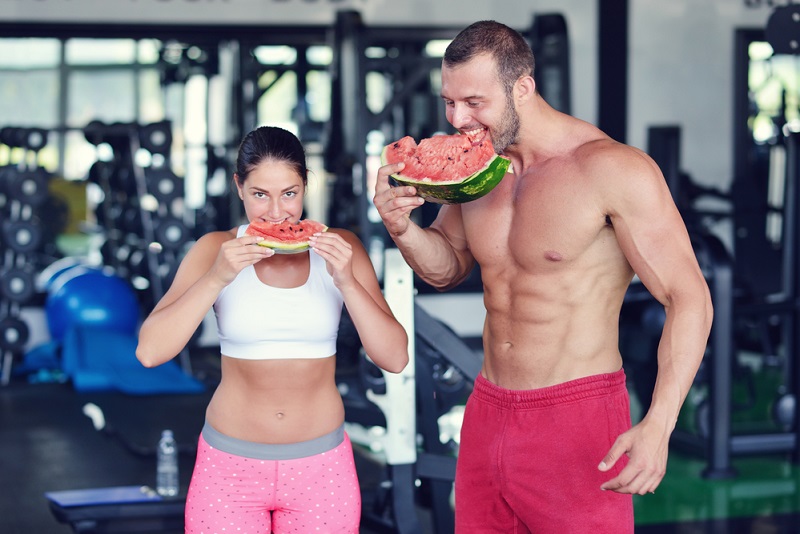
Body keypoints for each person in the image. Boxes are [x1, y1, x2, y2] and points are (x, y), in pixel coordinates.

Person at [373, 20, 713, 533]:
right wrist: (401, 227)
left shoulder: (613, 170)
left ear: (523, 88)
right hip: (487, 410)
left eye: (474, 102)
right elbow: (445, 268)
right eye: (449, 101)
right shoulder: (478, 170)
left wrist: (659, 424)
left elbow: (690, 299)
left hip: (576, 418)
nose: (457, 118)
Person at [136, 125, 409, 533]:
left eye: (290, 193)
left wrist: (347, 281)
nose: (277, 213)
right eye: (260, 194)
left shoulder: (339, 246)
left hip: (321, 469)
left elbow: (395, 357)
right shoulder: (215, 248)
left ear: (305, 186)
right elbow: (150, 352)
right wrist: (216, 277)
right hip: (229, 469)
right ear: (239, 187)